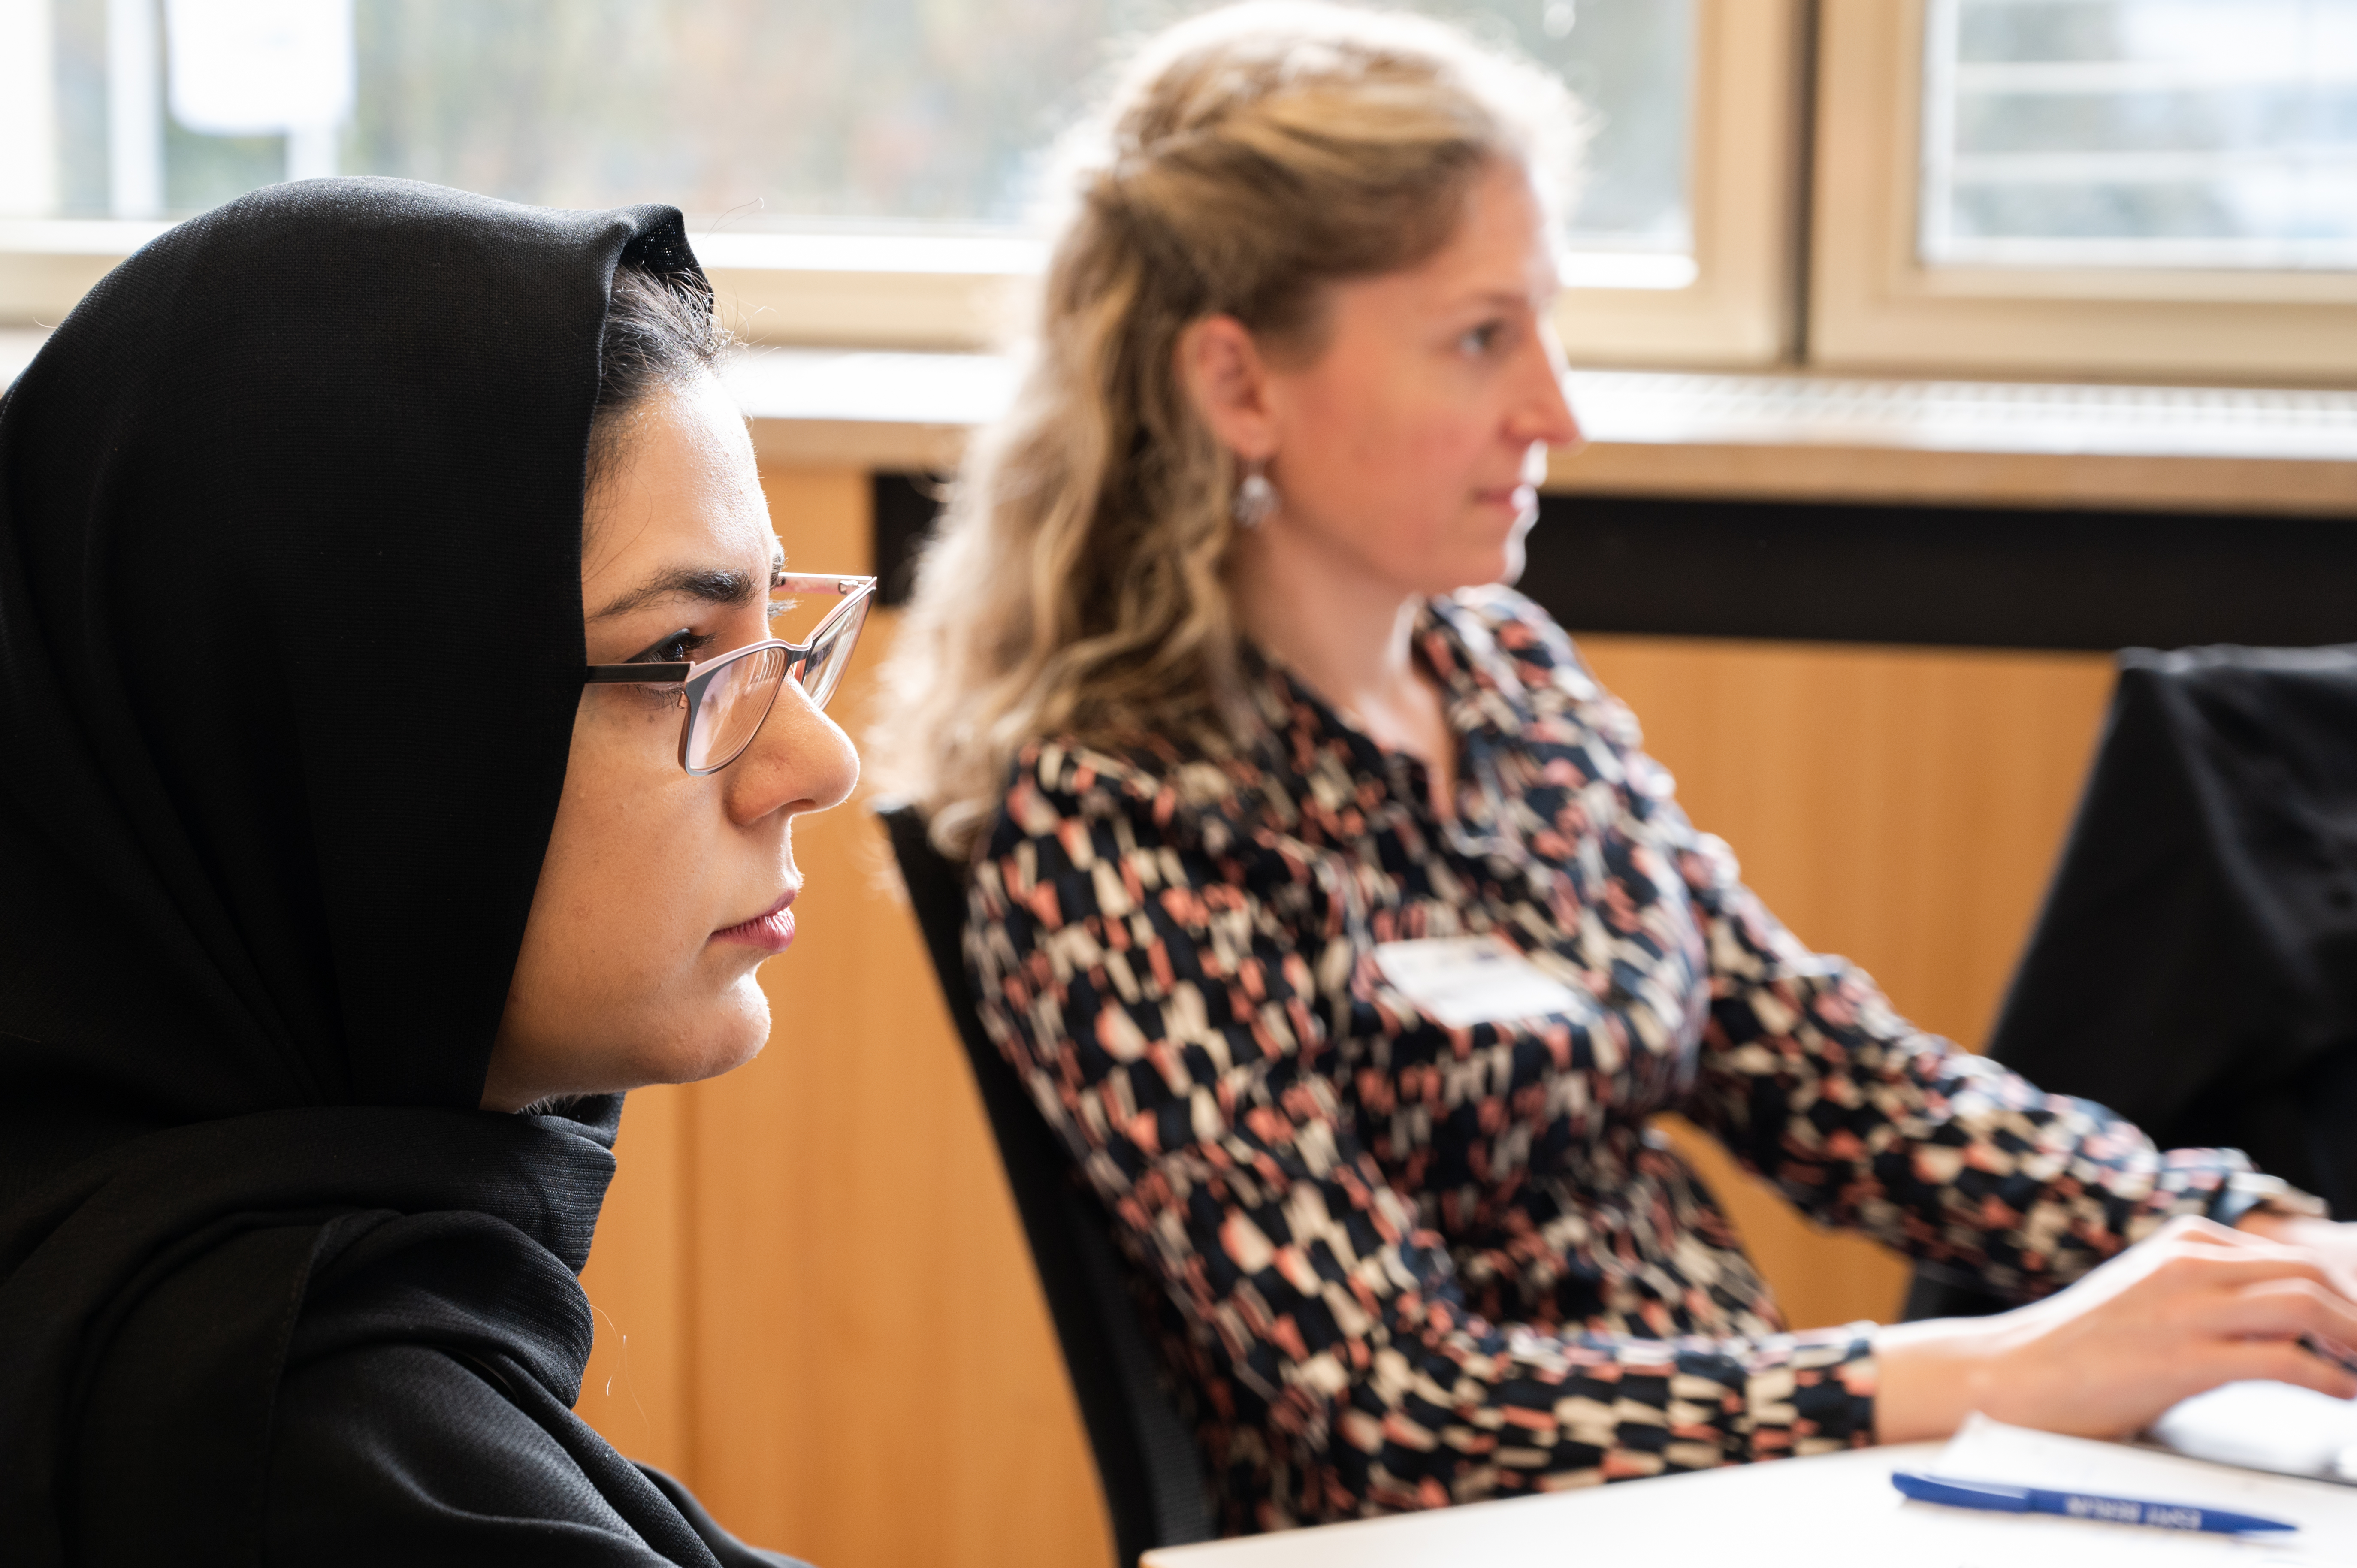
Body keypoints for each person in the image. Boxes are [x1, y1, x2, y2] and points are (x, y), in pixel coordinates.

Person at [872, 0, 2357, 1534]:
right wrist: (1993, 1368)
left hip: (1747, 1496)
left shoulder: (1502, 676)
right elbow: (1398, 1410)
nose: (1558, 409)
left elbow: (1846, 1087)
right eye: (1479, 338)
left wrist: (2275, 1246)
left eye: (1545, 321)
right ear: (1239, 384)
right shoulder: (1115, 818)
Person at [0, 177, 868, 1565]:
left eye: (780, 628)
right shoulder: (305, 1456)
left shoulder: (309, 1309)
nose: (817, 763)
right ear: (342, 741)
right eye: (671, 659)